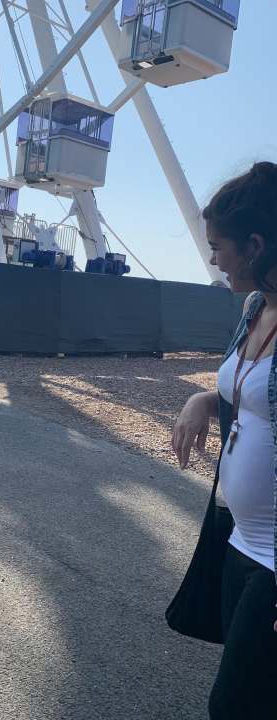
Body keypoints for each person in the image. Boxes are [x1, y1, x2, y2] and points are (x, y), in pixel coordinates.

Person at [171, 161, 277, 718]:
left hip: (274, 560)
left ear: (255, 245)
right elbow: (247, 394)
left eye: (219, 246)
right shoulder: (254, 308)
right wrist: (203, 400)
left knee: (233, 706)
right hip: (235, 537)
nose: (213, 257)